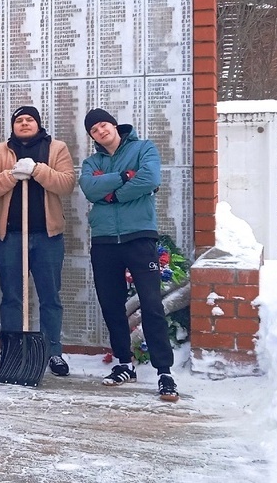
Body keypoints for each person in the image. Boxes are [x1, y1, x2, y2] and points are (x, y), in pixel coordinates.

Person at [78, 108, 179, 402]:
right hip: (104, 240)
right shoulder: (91, 162)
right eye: (94, 129)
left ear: (114, 125)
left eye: (103, 124)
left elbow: (149, 179)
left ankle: (164, 372)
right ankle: (124, 363)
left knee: (151, 304)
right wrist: (123, 177)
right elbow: (89, 188)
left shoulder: (143, 147)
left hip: (139, 236)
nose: (100, 131)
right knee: (111, 304)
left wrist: (112, 193)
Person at [0, 106, 76, 376]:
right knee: (11, 297)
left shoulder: (56, 149)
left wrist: (37, 171)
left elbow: (66, 184)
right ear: (12, 126)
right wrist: (10, 176)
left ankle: (53, 352)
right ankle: (11, 351)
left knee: (50, 297)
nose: (24, 124)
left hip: (47, 236)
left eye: (29, 119)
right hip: (10, 236)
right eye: (19, 120)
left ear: (38, 123)